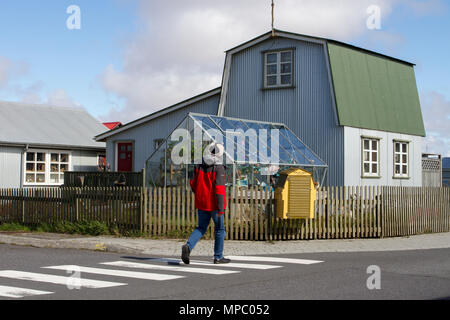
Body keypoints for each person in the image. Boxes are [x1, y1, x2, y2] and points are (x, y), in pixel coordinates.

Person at [181, 143, 231, 265]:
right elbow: (219, 189)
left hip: (202, 203)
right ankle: (218, 257)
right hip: (215, 205)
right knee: (220, 229)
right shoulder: (219, 168)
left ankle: (188, 245)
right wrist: (220, 208)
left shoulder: (198, 165)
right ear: (220, 154)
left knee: (201, 227)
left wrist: (199, 195)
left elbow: (193, 183)